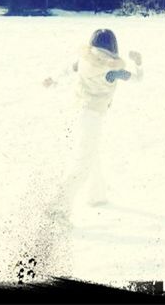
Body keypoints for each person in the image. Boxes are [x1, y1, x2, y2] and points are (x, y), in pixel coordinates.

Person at [57, 29, 142, 212]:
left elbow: (66, 71)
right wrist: (138, 63)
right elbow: (137, 79)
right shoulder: (113, 70)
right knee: (83, 163)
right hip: (91, 117)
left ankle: (97, 196)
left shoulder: (83, 60)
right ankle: (58, 204)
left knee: (91, 154)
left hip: (74, 112)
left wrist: (51, 79)